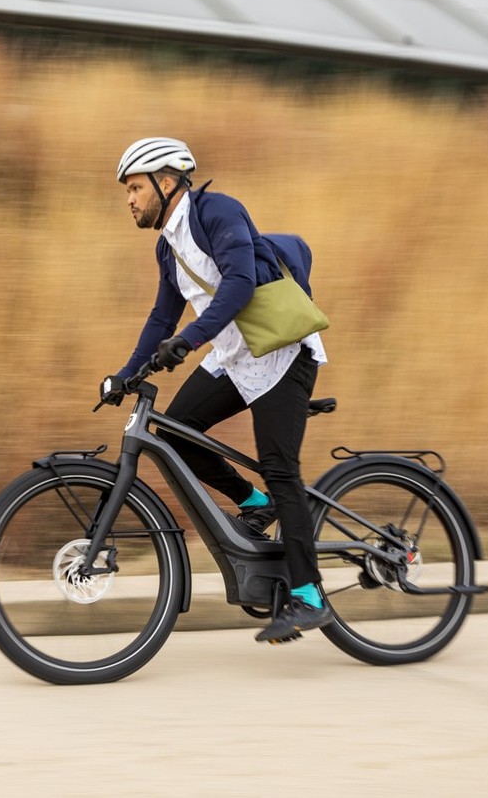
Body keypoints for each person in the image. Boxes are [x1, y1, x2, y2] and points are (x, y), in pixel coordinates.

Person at [100, 136, 332, 643]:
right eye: (126, 192)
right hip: (230, 355)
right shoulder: (168, 246)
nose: (130, 200)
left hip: (278, 352)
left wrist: (188, 340)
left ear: (167, 182)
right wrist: (127, 373)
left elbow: (241, 281)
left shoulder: (218, 212)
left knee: (280, 466)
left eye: (136, 187)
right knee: (177, 433)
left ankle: (310, 596)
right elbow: (163, 315)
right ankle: (254, 505)